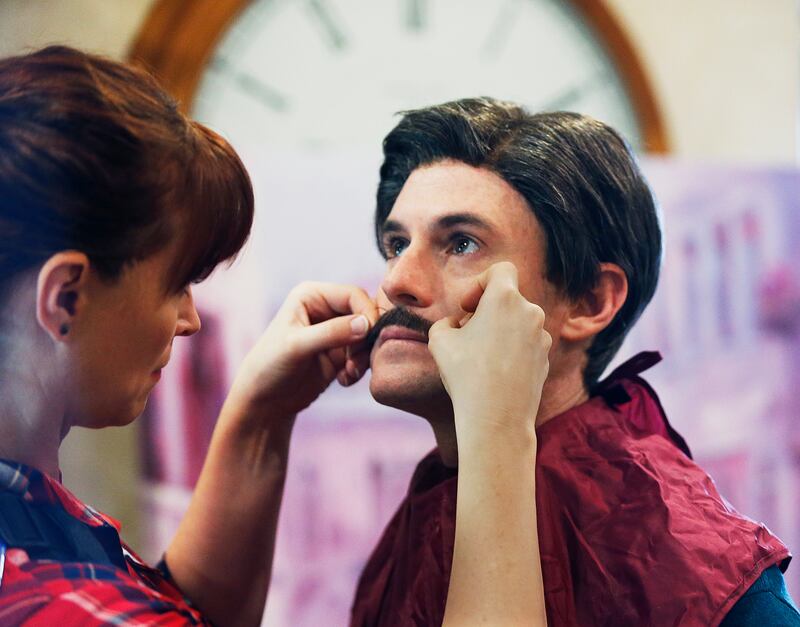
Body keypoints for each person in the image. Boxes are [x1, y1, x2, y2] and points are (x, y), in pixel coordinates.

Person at [0, 48, 550, 626]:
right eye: (176, 284)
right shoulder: (47, 600)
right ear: (66, 297)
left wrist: (262, 414)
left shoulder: (37, 518)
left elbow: (183, 613)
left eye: (460, 243)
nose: (189, 319)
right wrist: (497, 433)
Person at [351, 97, 800, 626]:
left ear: (590, 301)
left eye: (462, 243)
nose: (396, 281)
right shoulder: (416, 524)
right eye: (397, 243)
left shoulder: (699, 573)